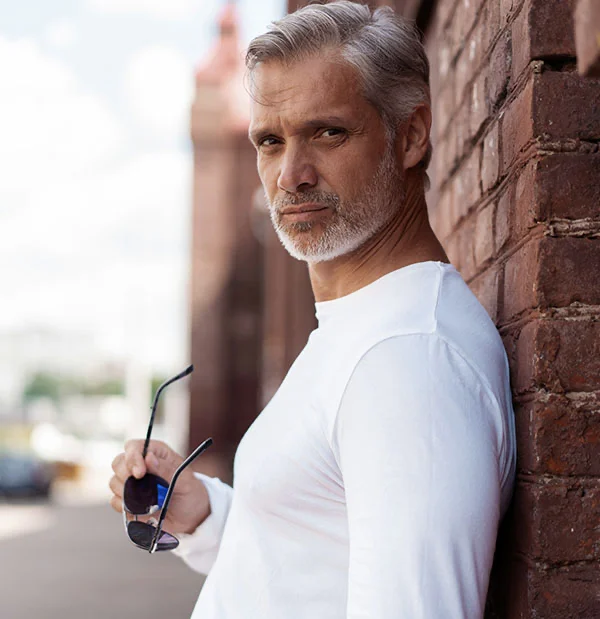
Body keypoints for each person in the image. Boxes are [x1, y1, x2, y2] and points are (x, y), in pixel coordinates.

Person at [109, 2, 516, 617]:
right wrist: (207, 513)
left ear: (411, 135)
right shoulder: (360, 327)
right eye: (270, 141)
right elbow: (306, 567)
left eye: (328, 132)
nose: (290, 175)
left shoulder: (406, 362)